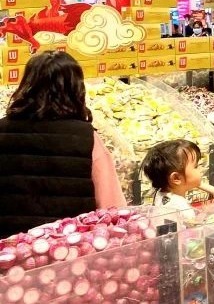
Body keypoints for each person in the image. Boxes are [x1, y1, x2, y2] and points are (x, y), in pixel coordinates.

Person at [0, 51, 126, 237]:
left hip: (9, 249)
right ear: (77, 89)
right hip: (72, 249)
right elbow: (111, 206)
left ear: (27, 84)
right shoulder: (86, 137)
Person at [141, 139, 214, 219]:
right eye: (196, 167)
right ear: (176, 178)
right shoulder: (182, 208)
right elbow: (194, 229)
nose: (199, 170)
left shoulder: (160, 193)